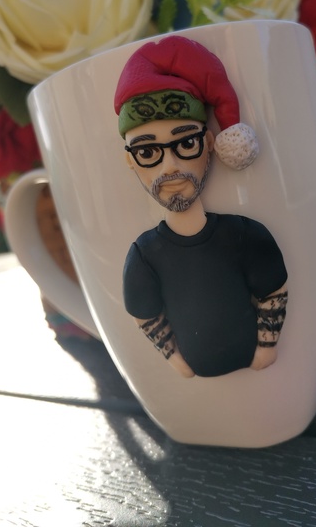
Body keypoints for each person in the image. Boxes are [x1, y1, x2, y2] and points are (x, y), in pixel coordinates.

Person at [115, 35, 288, 378]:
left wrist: (266, 348)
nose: (169, 167)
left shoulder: (244, 234)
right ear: (131, 161)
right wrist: (175, 360)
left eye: (186, 144)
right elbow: (144, 314)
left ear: (209, 143)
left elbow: (273, 290)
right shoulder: (144, 256)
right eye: (147, 152)